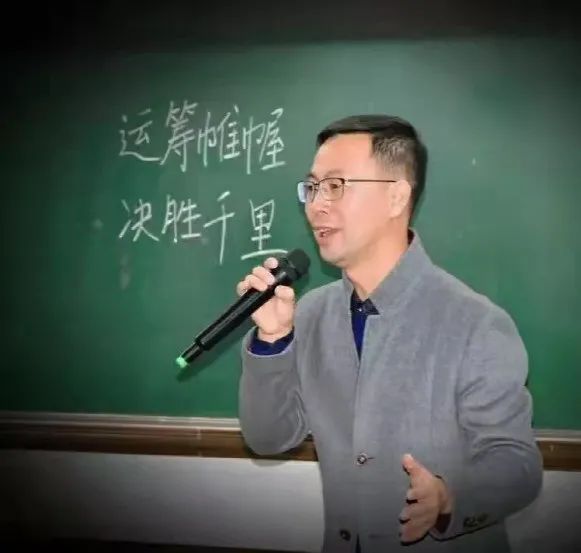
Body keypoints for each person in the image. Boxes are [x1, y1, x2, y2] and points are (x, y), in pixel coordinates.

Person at [236, 115, 543, 553]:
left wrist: (449, 497)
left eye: (335, 186)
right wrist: (273, 340)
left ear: (396, 196)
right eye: (312, 187)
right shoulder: (311, 314)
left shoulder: (475, 323)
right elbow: (268, 439)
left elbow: (517, 464)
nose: (316, 205)